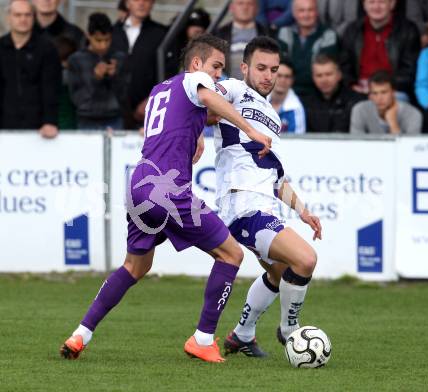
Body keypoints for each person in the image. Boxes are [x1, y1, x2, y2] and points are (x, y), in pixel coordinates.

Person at [59, 34, 272, 364]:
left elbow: (187, 114)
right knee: (231, 254)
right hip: (168, 189)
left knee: (135, 266)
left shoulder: (161, 90)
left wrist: (198, 130)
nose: (218, 75)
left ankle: (80, 334)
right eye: (216, 67)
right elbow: (207, 97)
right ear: (197, 63)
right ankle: (203, 338)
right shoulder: (197, 79)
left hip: (139, 183)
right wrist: (252, 130)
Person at [212, 36, 322, 357]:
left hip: (265, 203)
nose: (268, 76)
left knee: (278, 273)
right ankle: (290, 330)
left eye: (274, 69)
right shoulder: (234, 90)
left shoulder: (273, 116)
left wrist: (302, 211)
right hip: (242, 204)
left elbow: (274, 175)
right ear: (245, 67)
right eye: (260, 67)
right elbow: (203, 96)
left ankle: (242, 334)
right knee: (305, 259)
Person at [0, 0, 61, 137]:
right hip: (4, 127)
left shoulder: (47, 49)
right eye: (18, 15)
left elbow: (51, 88)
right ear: (8, 17)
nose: (23, 19)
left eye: (28, 15)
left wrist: (50, 121)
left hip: (39, 130)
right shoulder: (1, 48)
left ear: (34, 17)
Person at [340, 0, 420, 100]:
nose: (376, 7)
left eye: (381, 2)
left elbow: (409, 71)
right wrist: (352, 85)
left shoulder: (408, 30)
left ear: (392, 4)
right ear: (364, 5)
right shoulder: (352, 30)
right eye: (371, 2)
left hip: (393, 90)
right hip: (360, 89)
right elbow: (344, 66)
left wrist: (383, 88)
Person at [111, 0, 168, 129]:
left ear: (153, 3)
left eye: (147, 0)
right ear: (126, 3)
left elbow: (170, 74)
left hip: (149, 115)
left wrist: (153, 101)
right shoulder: (111, 33)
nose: (142, 3)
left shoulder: (162, 34)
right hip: (112, 114)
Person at [67, 13, 127, 130]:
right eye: (98, 40)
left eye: (107, 40)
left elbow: (125, 94)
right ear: (88, 36)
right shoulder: (76, 60)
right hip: (86, 119)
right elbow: (76, 97)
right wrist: (95, 78)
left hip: (114, 118)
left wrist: (114, 77)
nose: (103, 45)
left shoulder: (119, 58)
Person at [278, 0, 339, 98]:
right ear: (294, 13)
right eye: (301, 10)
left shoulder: (328, 35)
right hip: (287, 92)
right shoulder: (284, 33)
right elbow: (280, 65)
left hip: (317, 94)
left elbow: (322, 69)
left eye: (310, 10)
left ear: (317, 12)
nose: (306, 15)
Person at [301, 53, 365, 133]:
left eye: (328, 74)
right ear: (313, 78)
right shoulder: (304, 104)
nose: (324, 80)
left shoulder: (356, 101)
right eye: (319, 75)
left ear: (339, 75)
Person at [350, 70, 422, 134]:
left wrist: (393, 124)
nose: (379, 98)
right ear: (370, 96)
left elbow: (408, 148)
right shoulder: (360, 110)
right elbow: (356, 145)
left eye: (384, 92)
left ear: (393, 93)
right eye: (375, 93)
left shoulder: (412, 114)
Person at [214, 0, 267, 79]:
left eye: (250, 4)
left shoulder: (267, 34)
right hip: (226, 87)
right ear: (231, 7)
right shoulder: (219, 34)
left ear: (257, 8)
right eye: (240, 3)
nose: (245, 7)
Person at [269, 60, 306, 133]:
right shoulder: (258, 101)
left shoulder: (296, 109)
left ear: (292, 80)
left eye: (287, 77)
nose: (283, 80)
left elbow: (298, 141)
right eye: (279, 75)